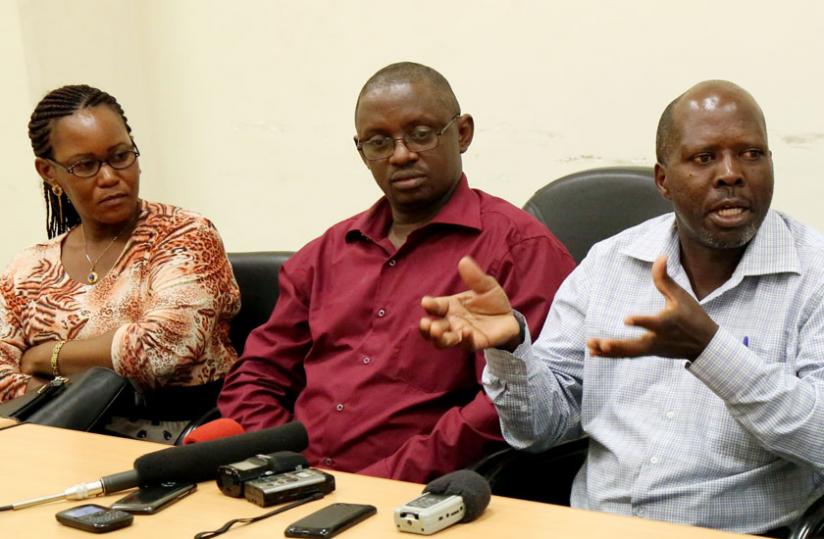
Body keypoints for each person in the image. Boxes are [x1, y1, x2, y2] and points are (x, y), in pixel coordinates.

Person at [419, 80, 824, 535]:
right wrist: (511, 349)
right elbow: (540, 430)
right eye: (704, 157)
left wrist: (713, 353)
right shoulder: (610, 263)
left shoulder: (814, 274)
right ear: (663, 180)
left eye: (751, 154)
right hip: (591, 526)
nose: (731, 173)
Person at [218, 62, 575, 482]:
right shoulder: (325, 253)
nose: (401, 154)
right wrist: (284, 462)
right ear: (361, 151)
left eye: (421, 135)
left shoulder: (518, 248)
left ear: (462, 134)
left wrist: (385, 479)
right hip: (293, 483)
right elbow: (257, 377)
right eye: (379, 142)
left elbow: (510, 408)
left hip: (424, 496)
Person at [0, 84, 240, 440]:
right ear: (49, 173)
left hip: (181, 440)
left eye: (120, 156)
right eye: (85, 165)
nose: (110, 177)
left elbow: (162, 349)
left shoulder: (185, 235)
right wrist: (70, 398)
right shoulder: (30, 268)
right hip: (62, 438)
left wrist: (46, 357)